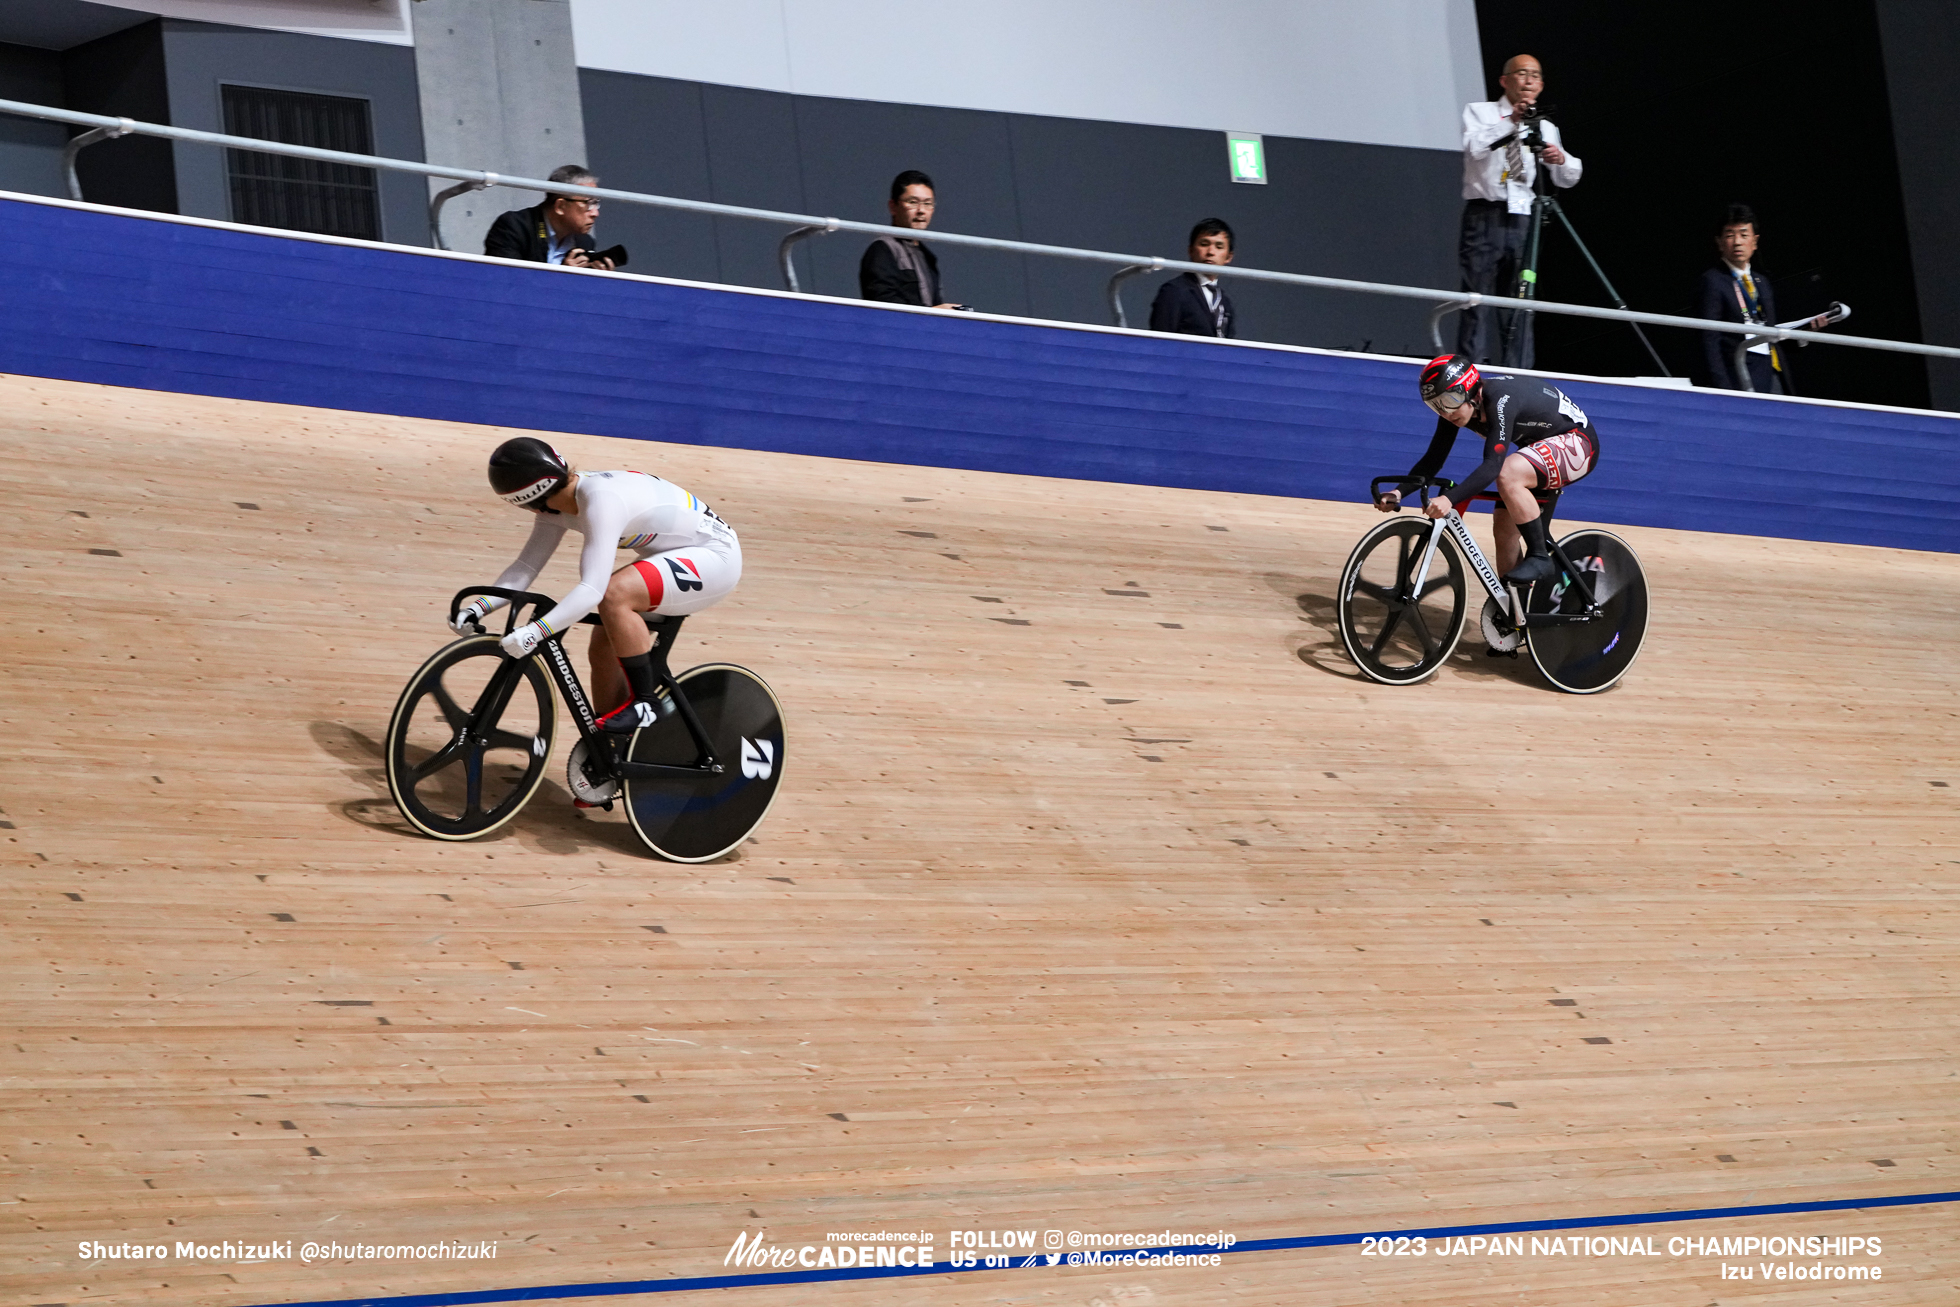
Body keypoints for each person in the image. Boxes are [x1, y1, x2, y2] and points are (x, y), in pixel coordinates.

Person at [455, 437, 741, 740]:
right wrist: (478, 608)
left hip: (715, 557)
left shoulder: (600, 501)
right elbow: (525, 569)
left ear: (524, 499)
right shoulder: (558, 504)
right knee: (604, 642)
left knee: (614, 596)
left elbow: (593, 588)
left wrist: (536, 632)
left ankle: (646, 702)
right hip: (680, 552)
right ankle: (609, 745)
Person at [1375, 354, 1600, 586]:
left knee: (1508, 472)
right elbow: (1434, 459)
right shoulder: (1456, 409)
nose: (1446, 412)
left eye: (1450, 400)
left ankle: (1539, 555)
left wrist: (1449, 499)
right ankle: (1515, 615)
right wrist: (1399, 492)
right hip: (1540, 447)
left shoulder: (1500, 400)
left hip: (1579, 444)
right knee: (1504, 530)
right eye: (1437, 405)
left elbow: (1492, 465)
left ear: (1468, 390)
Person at [1456, 54, 1581, 368]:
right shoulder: (1480, 112)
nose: (1529, 81)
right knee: (1477, 298)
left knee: (1522, 300)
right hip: (1485, 214)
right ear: (1504, 80)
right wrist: (1512, 122)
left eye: (1535, 76)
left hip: (1525, 219)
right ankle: (1469, 371)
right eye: (1522, 73)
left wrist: (1560, 159)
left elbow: (1568, 178)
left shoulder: (1545, 126)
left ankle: (1519, 373)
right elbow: (1475, 148)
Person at [1697, 204, 1828, 394]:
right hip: (1741, 378)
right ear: (1719, 242)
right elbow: (1709, 342)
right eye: (1730, 235)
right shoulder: (1713, 281)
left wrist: (1806, 332)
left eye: (1743, 234)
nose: (1737, 242)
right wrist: (1723, 390)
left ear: (1755, 241)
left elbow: (1768, 332)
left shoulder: (1762, 282)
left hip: (1774, 372)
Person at [483, 165, 616, 270]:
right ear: (560, 206)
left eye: (596, 203)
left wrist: (598, 282)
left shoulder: (584, 242)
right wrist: (561, 275)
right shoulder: (514, 227)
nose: (595, 213)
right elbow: (505, 283)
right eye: (589, 203)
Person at [859, 170, 959, 308]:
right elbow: (882, 303)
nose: (921, 210)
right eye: (913, 202)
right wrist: (931, 313)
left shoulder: (928, 256)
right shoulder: (882, 249)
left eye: (927, 203)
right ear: (893, 207)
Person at [1148, 218, 1238, 338]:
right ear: (1190, 250)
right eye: (1204, 244)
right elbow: (1160, 342)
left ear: (1229, 256)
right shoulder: (1174, 290)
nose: (1211, 252)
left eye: (1219, 246)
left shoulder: (1224, 300)